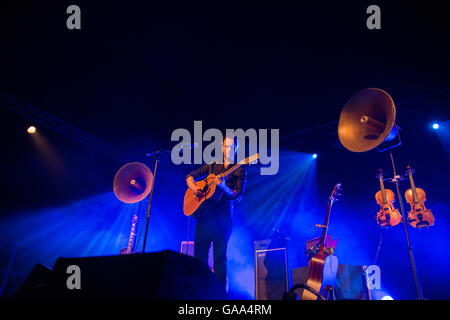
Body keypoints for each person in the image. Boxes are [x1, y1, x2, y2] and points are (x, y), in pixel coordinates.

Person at [185, 135, 247, 290]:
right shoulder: (212, 166)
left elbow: (237, 196)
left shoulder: (239, 169)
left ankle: (219, 294)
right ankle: (200, 290)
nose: (228, 149)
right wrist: (194, 188)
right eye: (226, 146)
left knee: (219, 258)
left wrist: (223, 187)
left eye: (231, 147)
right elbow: (190, 177)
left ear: (236, 149)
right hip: (204, 216)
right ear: (221, 147)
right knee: (199, 257)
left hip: (223, 217)